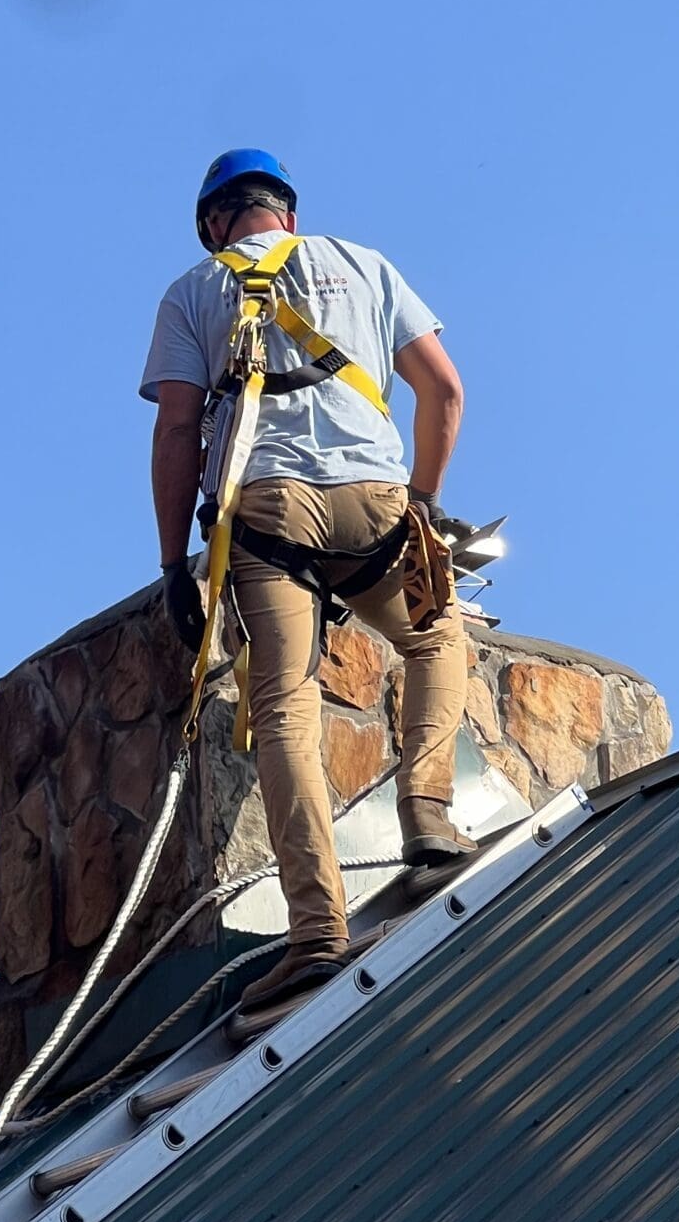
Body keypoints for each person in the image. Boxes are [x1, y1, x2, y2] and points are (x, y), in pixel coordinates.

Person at [141, 147, 477, 1026]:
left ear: (217, 223)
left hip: (267, 513)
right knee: (437, 639)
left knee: (284, 701)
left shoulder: (193, 292)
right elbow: (444, 391)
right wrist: (426, 511)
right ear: (285, 211)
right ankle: (428, 811)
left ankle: (317, 931)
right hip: (375, 499)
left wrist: (174, 560)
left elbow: (179, 432)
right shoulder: (365, 265)